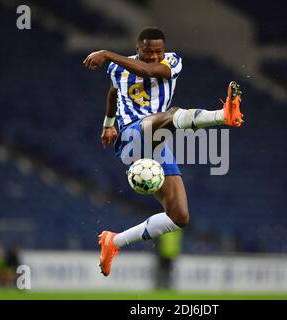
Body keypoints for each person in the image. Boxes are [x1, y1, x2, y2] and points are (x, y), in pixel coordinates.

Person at [83, 26, 244, 276]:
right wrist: (108, 124)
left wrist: (106, 53)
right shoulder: (119, 69)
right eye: (148, 52)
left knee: (179, 217)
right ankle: (223, 115)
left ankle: (113, 242)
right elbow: (114, 92)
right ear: (137, 49)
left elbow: (148, 71)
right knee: (170, 115)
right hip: (130, 138)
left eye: (158, 51)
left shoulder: (172, 61)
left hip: (157, 142)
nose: (154, 56)